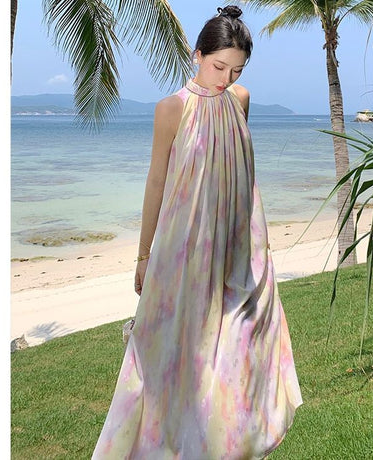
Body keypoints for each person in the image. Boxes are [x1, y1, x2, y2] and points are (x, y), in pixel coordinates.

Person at [92, 5, 302, 459]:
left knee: (238, 343)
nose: (225, 79)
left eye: (236, 70)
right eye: (218, 66)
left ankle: (223, 441)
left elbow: (234, 174)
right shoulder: (172, 109)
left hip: (233, 249)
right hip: (182, 251)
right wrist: (143, 255)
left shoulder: (240, 100)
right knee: (171, 354)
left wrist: (255, 243)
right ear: (197, 55)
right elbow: (156, 181)